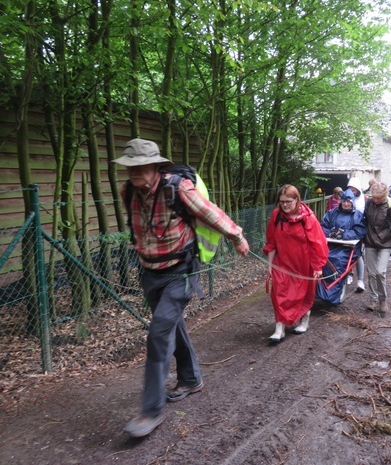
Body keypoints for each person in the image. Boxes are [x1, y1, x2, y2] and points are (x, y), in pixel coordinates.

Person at [113, 138, 250, 438]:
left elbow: (210, 212)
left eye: (140, 167)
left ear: (155, 167)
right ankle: (191, 379)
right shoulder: (128, 192)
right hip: (150, 273)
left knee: (159, 333)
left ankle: (150, 411)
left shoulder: (177, 188)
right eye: (130, 167)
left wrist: (236, 236)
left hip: (181, 272)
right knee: (172, 326)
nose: (134, 173)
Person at [264, 184, 329, 343]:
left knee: (302, 294)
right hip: (282, 263)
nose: (284, 205)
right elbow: (271, 242)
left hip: (303, 264)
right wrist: (270, 266)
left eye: (288, 202)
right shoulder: (276, 216)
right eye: (282, 202)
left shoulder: (308, 218)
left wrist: (318, 266)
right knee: (278, 294)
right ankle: (279, 329)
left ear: (297, 200)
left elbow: (318, 243)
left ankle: (304, 320)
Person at [317, 189, 367, 305]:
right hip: (330, 245)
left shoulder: (357, 215)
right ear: (340, 201)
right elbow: (322, 226)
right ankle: (319, 291)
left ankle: (332, 294)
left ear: (352, 202)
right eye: (344, 201)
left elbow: (359, 231)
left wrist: (343, 234)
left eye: (348, 202)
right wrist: (331, 232)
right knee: (321, 259)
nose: (345, 204)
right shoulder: (332, 213)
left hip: (347, 248)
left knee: (337, 260)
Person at [363, 182, 391, 314]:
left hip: (385, 243)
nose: (376, 200)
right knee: (372, 273)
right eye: (374, 197)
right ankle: (373, 299)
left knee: (380, 272)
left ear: (384, 195)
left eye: (378, 198)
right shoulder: (369, 203)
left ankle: (383, 299)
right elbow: (364, 221)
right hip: (370, 241)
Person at [346, 177, 367, 292]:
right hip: (346, 230)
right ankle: (348, 274)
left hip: (358, 229)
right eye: (350, 189)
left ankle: (360, 280)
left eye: (354, 189)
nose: (352, 191)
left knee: (358, 254)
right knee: (345, 253)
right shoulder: (346, 200)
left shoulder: (363, 201)